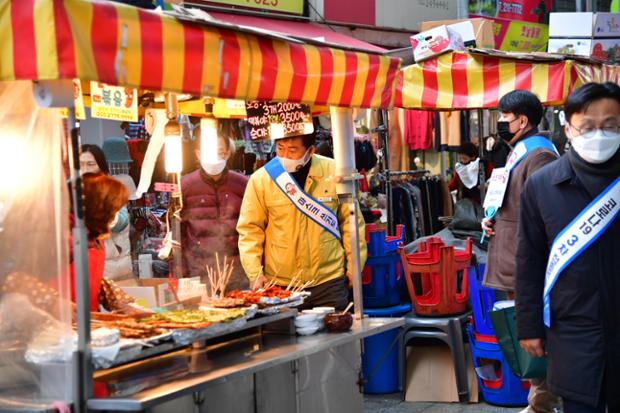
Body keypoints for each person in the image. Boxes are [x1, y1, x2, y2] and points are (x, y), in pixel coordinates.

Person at [516, 82, 620, 413]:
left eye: (611, 126)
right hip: (573, 331)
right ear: (568, 128)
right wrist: (529, 326)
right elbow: (529, 260)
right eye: (588, 126)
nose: (599, 135)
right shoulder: (542, 185)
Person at [481, 90, 561, 413]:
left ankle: (542, 404)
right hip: (513, 258)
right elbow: (513, 206)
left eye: (503, 118)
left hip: (527, 263)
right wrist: (492, 221)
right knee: (524, 332)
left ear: (522, 121)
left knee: (536, 333)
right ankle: (539, 401)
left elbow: (545, 215)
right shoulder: (518, 152)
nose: (499, 124)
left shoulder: (540, 156)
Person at [237, 133, 367, 311]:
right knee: (285, 337)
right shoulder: (261, 179)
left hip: (329, 281)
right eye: (280, 149)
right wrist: (254, 272)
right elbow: (250, 229)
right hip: (281, 285)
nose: (285, 156)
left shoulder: (336, 173)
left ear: (310, 150)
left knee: (337, 335)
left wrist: (354, 266)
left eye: (292, 150)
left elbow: (351, 222)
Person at [181, 130, 249, 291]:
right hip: (200, 272)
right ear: (198, 154)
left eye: (220, 153)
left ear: (227, 154)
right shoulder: (184, 186)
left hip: (238, 273)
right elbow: (178, 235)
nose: (215, 158)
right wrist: (181, 274)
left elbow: (254, 229)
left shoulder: (243, 184)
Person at [80, 144, 134, 280]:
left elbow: (122, 222)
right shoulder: (73, 190)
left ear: (101, 166)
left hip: (112, 270)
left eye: (91, 164)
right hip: (86, 268)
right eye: (80, 164)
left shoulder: (111, 188)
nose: (85, 169)